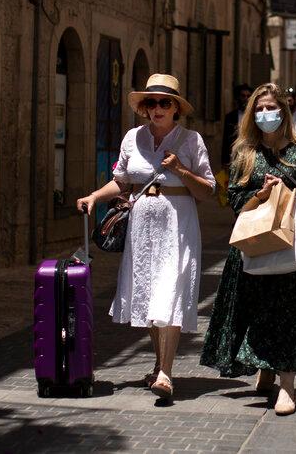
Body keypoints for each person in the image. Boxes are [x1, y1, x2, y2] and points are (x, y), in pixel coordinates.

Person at [76, 74, 215, 401]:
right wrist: (95, 196)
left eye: (164, 102)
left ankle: (166, 374)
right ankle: (158, 364)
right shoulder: (132, 139)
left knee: (170, 293)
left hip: (177, 225)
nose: (156, 108)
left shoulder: (191, 141)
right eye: (150, 102)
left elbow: (208, 191)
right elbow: (122, 181)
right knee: (151, 294)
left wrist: (180, 170)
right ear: (143, 108)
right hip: (142, 228)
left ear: (176, 108)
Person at [200, 83, 296, 416]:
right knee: (256, 312)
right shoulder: (243, 152)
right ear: (250, 114)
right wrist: (261, 195)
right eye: (259, 108)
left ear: (284, 112)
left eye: (272, 108)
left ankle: (288, 386)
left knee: (289, 314)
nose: (265, 114)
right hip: (252, 243)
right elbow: (235, 202)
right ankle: (265, 366)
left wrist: (289, 192)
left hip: (289, 245)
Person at [221, 84, 252, 166]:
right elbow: (226, 140)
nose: (245, 99)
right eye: (243, 96)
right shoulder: (230, 117)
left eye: (248, 96)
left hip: (251, 155)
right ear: (238, 97)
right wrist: (224, 161)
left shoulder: (255, 116)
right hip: (234, 156)